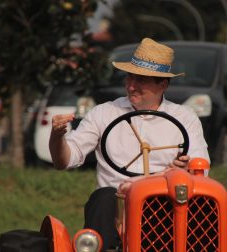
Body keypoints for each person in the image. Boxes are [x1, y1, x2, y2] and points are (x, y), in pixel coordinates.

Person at [49, 38, 210, 250]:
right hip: (116, 206)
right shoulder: (104, 113)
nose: (131, 86)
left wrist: (181, 172)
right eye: (130, 78)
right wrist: (57, 137)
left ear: (162, 84)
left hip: (165, 206)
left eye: (141, 80)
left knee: (200, 201)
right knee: (103, 196)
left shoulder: (185, 118)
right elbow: (66, 159)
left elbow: (202, 170)